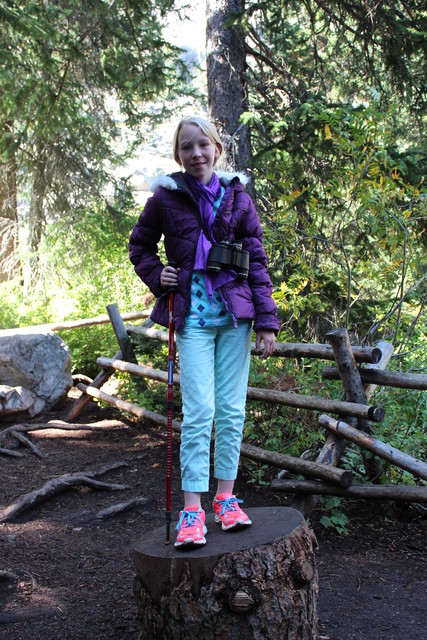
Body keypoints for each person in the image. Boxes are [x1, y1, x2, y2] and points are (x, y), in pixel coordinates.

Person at [129, 116, 280, 548]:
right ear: (178, 155)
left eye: (203, 146)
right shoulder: (165, 198)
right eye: (187, 148)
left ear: (217, 149)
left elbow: (256, 261)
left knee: (231, 411)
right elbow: (139, 246)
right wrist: (160, 276)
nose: (196, 154)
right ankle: (191, 509)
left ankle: (226, 499)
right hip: (192, 318)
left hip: (236, 318)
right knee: (199, 413)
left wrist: (267, 321)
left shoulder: (238, 198)